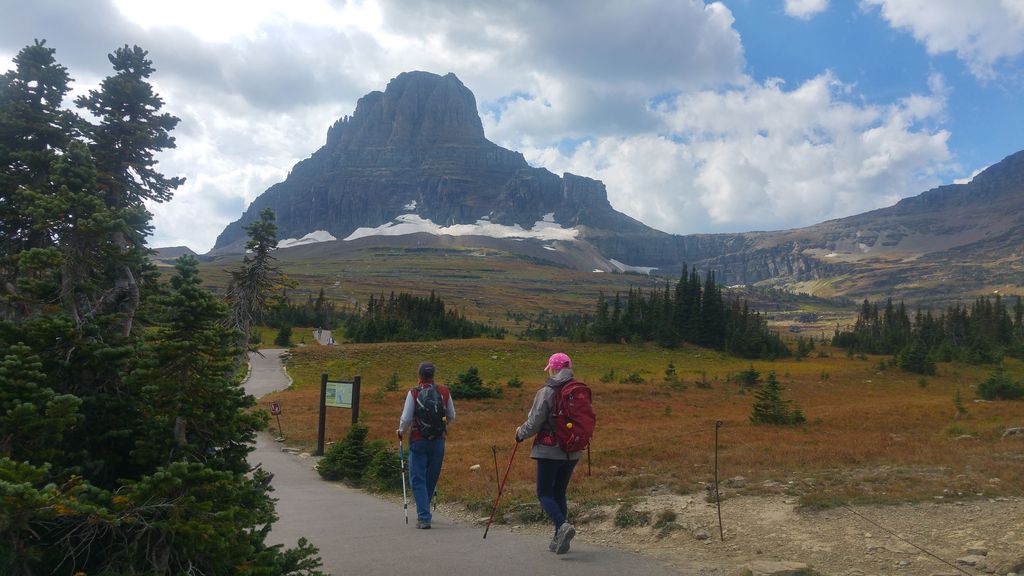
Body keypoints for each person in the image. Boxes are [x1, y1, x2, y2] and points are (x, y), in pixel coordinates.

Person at [515, 352, 580, 554]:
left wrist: (520, 434)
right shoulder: (578, 390)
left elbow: (534, 423)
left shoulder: (547, 391)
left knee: (543, 492)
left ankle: (562, 526)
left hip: (549, 450)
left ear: (554, 368)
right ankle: (558, 539)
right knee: (559, 492)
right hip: (573, 450)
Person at [397, 362, 455, 529]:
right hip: (438, 441)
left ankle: (424, 517)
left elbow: (407, 418)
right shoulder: (444, 391)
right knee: (431, 477)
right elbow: (452, 414)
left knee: (417, 478)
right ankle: (425, 510)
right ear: (433, 375)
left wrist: (401, 431)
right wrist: (441, 427)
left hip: (418, 439)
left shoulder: (414, 393)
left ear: (419, 376)